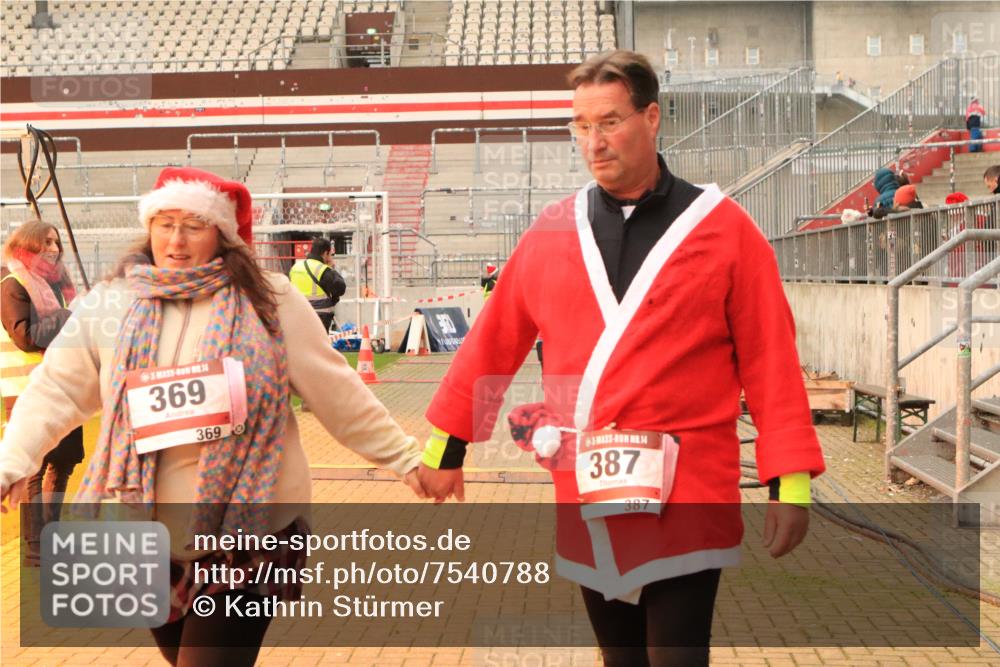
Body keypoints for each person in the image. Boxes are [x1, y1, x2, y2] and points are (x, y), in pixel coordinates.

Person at [417, 50, 825, 666]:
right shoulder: (554, 230)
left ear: (651, 117)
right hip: (589, 484)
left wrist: (789, 482)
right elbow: (492, 341)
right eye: (581, 126)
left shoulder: (725, 229)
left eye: (609, 122)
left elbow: (771, 359)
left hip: (688, 485)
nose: (593, 142)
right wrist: (444, 450)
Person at [0, 167, 430, 666]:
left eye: (193, 226)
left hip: (252, 532)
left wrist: (406, 459)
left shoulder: (270, 301)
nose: (176, 241)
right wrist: (12, 462)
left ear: (223, 234)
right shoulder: (112, 303)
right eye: (165, 224)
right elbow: (55, 389)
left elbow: (337, 390)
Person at [1, 219, 85, 567]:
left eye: (56, 242)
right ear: (29, 244)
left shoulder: (59, 284)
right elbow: (25, 336)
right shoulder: (12, 283)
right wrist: (68, 316)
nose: (53, 248)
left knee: (63, 461)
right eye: (46, 242)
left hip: (63, 383)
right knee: (36, 466)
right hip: (28, 387)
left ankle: (51, 539)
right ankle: (37, 547)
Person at [288, 236, 346, 332]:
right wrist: (332, 268)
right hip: (318, 317)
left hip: (297, 314)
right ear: (325, 253)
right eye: (330, 254)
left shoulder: (295, 268)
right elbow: (340, 288)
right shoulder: (322, 270)